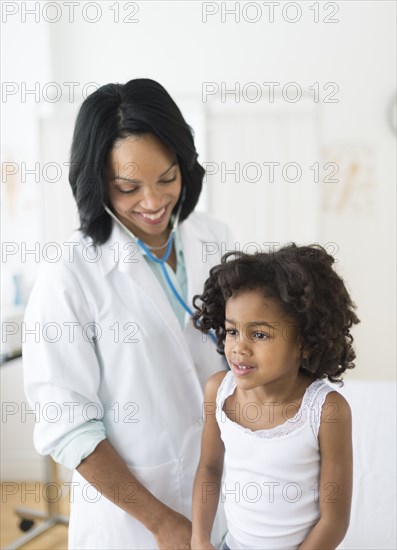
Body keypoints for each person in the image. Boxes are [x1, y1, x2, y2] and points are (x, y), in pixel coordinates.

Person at [23, 78, 233, 549]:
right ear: (97, 183)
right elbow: (68, 425)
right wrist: (160, 522)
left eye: (166, 178)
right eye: (128, 187)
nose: (154, 202)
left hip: (224, 504)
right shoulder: (69, 274)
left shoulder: (216, 240)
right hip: (129, 526)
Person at [190, 244, 360, 550]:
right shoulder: (218, 390)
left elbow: (334, 520)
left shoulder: (326, 411)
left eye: (259, 335)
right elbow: (209, 468)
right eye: (232, 331)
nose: (239, 347)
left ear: (306, 342)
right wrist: (200, 538)